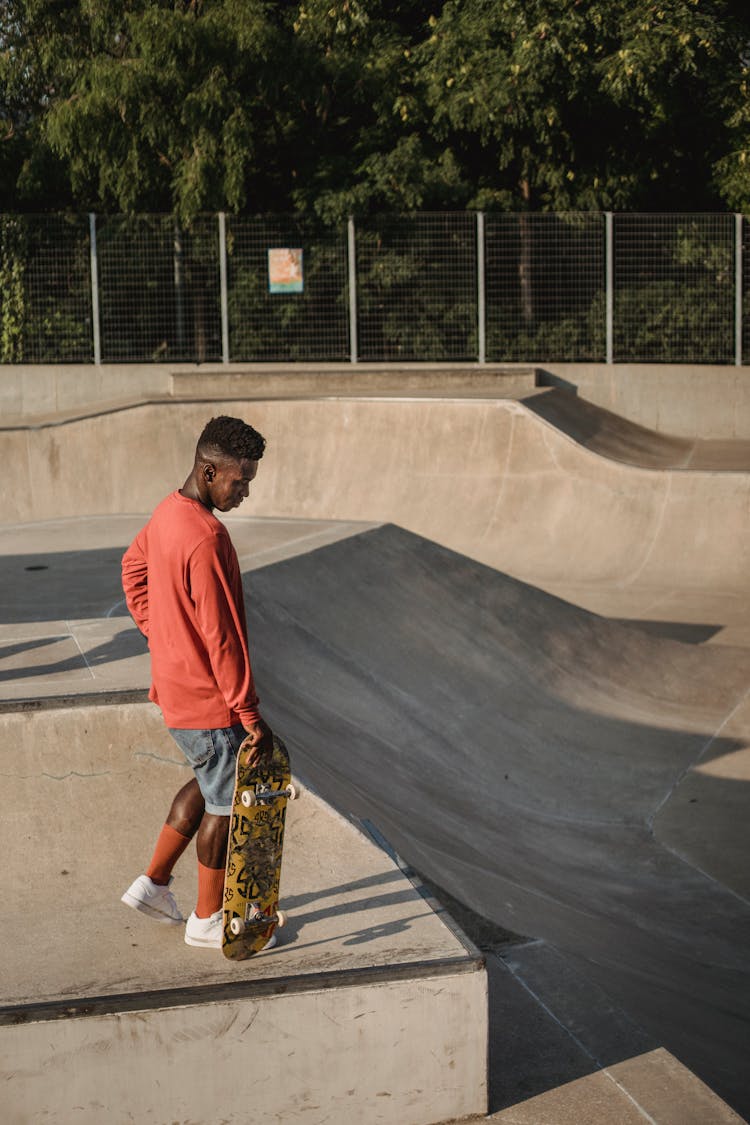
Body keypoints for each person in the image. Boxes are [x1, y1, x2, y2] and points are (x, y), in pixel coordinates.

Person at [120, 415, 275, 950]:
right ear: (209, 472)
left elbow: (131, 567)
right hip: (209, 701)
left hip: (175, 692)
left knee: (207, 779)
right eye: (240, 481)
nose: (245, 493)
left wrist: (159, 634)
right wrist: (250, 715)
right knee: (227, 804)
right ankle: (207, 920)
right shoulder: (207, 538)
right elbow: (222, 638)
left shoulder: (167, 513)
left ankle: (154, 884)